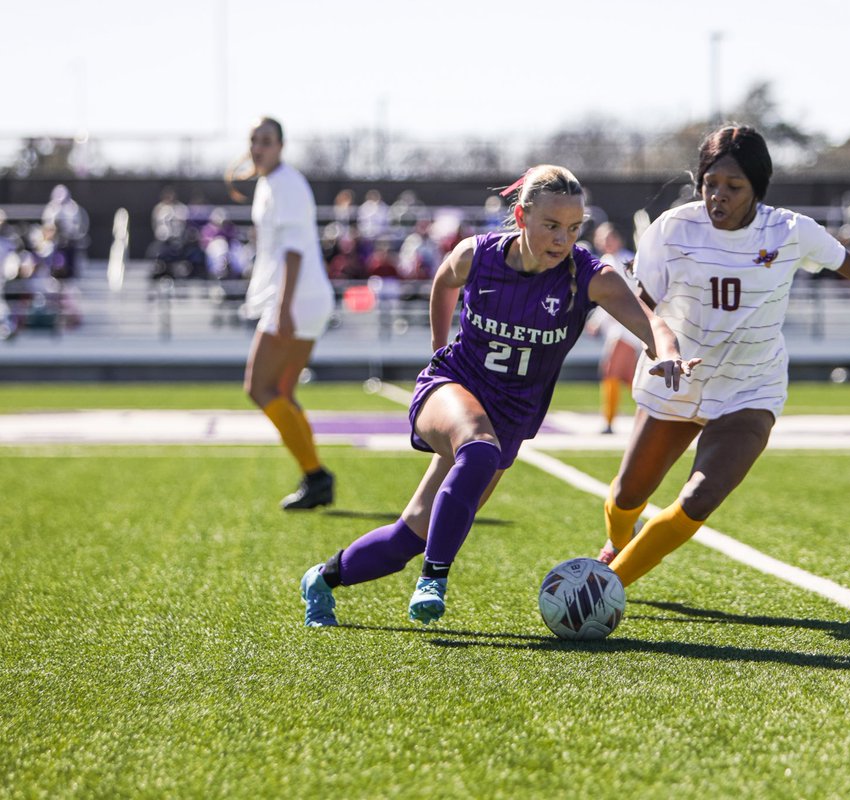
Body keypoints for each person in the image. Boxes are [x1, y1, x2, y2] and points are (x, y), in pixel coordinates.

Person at [298, 165, 696, 628]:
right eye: (551, 226)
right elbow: (445, 281)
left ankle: (323, 579)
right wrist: (436, 348)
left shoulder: (589, 276)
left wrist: (665, 353)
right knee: (478, 449)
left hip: (510, 415)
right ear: (521, 217)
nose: (562, 239)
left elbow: (652, 322)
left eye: (573, 228)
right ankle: (435, 578)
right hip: (452, 386)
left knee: (411, 537)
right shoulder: (478, 255)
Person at [596, 125, 850, 589]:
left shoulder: (790, 231)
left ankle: (606, 585)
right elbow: (640, 299)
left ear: (758, 188)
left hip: (750, 386)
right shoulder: (673, 228)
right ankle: (616, 544)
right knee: (626, 498)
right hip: (679, 379)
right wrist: (661, 345)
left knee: (699, 497)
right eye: (710, 184)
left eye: (734, 187)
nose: (718, 197)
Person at [234, 117, 338, 510]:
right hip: (303, 298)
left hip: (297, 298)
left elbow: (294, 250)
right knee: (281, 392)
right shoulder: (271, 183)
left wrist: (282, 308)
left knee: (258, 387)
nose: (258, 147)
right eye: (253, 140)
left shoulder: (286, 183)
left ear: (281, 145)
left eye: (266, 140)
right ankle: (316, 479)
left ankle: (316, 474)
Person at [584, 222, 640, 433]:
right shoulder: (607, 261)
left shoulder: (628, 260)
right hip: (617, 328)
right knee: (626, 376)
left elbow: (634, 295)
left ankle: (609, 422)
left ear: (618, 238)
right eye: (600, 238)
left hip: (628, 327)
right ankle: (655, 412)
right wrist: (596, 321)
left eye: (607, 237)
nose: (603, 242)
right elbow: (606, 299)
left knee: (612, 371)